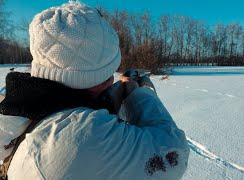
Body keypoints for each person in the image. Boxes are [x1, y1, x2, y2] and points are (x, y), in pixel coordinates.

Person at [0, 1, 189, 180]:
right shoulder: (83, 134)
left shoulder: (16, 106)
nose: (112, 80)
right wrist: (136, 94)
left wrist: (115, 92)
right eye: (107, 75)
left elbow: (77, 103)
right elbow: (174, 151)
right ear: (85, 77)